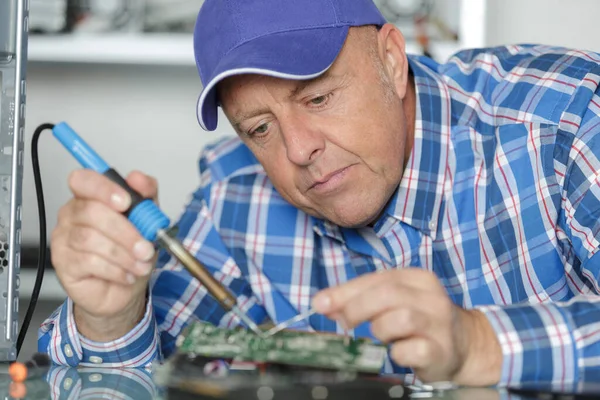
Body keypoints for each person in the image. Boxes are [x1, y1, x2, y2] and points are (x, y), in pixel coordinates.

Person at [38, 0, 600, 388]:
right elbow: (154, 370)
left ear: (391, 59)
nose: (298, 150)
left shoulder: (566, 120)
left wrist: (480, 345)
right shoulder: (236, 193)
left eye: (318, 98)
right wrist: (110, 318)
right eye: (259, 128)